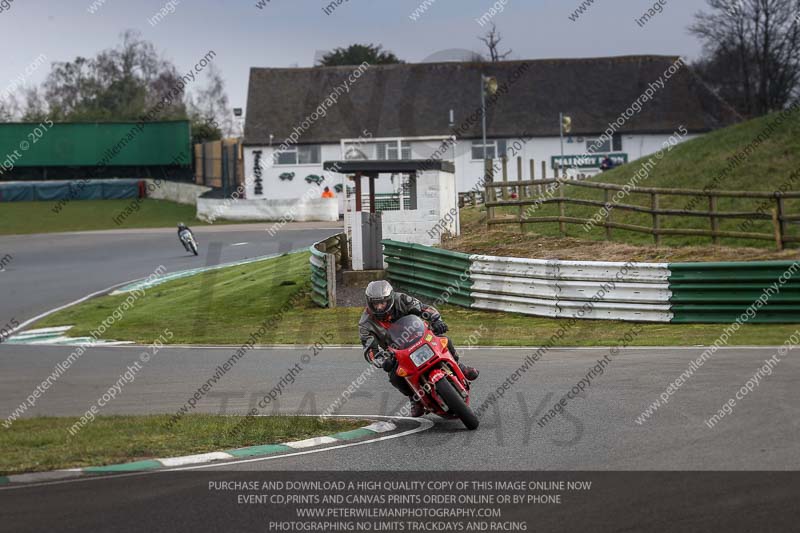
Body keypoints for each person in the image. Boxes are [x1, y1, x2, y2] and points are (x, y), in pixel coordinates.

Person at [359, 280, 479, 417]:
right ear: (369, 303)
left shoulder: (402, 299)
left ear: (390, 299)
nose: (380, 307)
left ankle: (460, 367)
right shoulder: (365, 323)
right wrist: (381, 359)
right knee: (395, 376)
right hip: (397, 353)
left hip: (420, 336)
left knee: (443, 340)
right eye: (376, 304)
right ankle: (415, 398)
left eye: (383, 303)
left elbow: (424, 308)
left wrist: (436, 320)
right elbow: (369, 349)